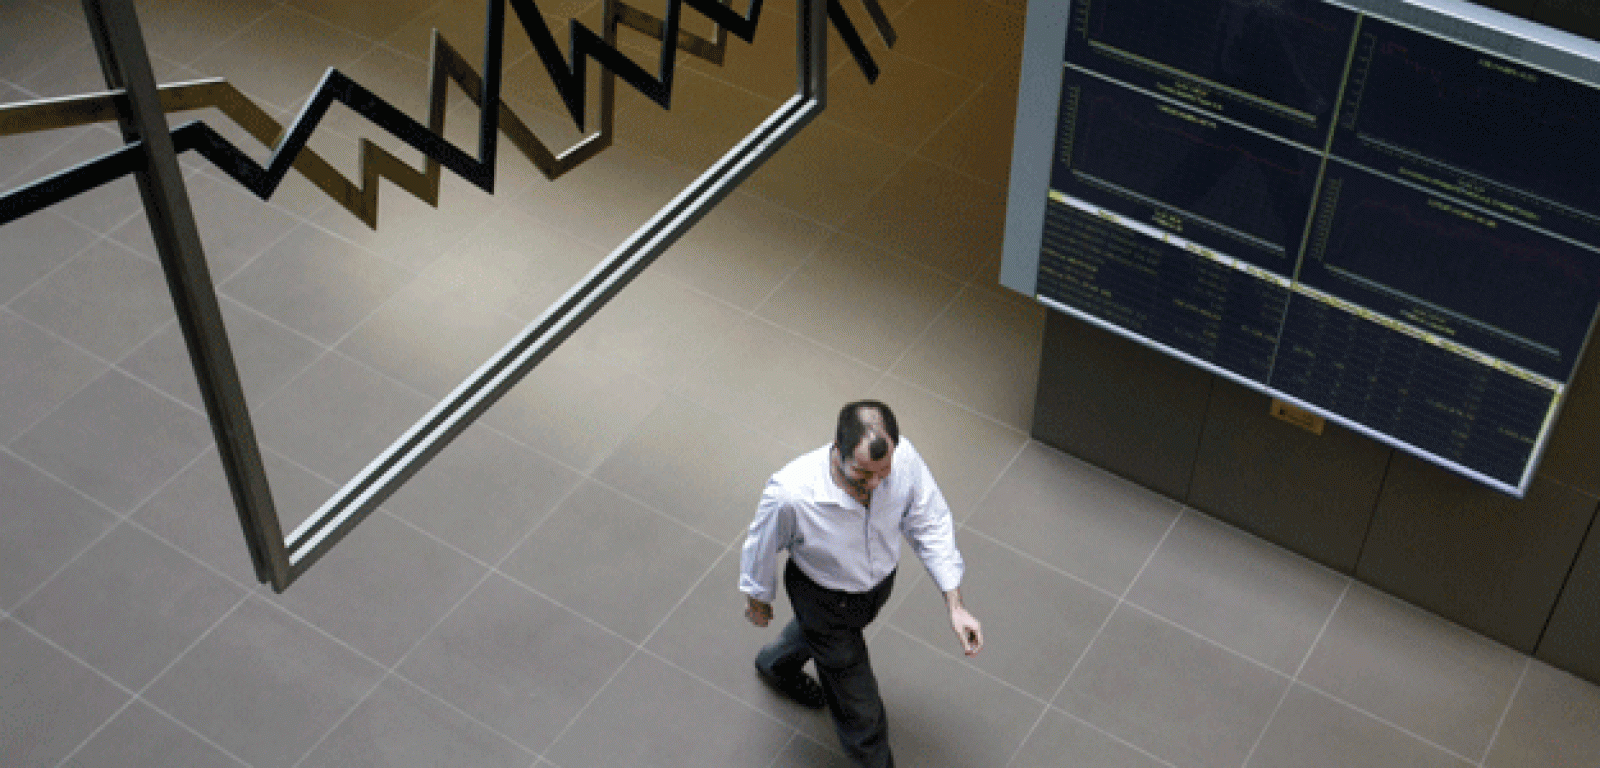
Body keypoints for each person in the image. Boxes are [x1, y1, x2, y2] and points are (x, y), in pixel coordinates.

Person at [739, 400, 983, 768]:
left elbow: (930, 523)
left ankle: (776, 664)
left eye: (883, 473)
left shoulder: (904, 462)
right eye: (862, 474)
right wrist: (758, 597)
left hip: (875, 588)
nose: (874, 485)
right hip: (821, 597)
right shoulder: (791, 493)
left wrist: (956, 604)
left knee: (817, 636)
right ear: (836, 450)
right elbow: (761, 545)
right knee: (860, 708)